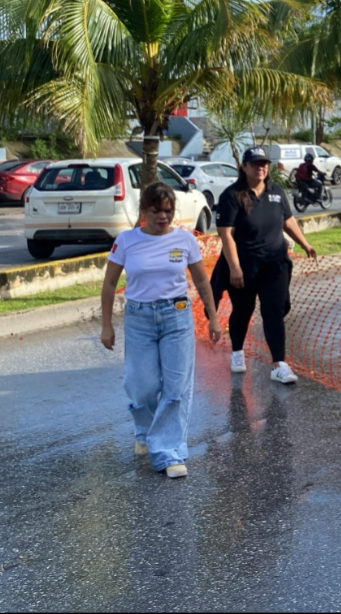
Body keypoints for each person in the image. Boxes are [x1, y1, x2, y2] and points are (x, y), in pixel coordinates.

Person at [101, 182, 222, 479]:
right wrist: (106, 325)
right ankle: (146, 431)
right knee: (140, 385)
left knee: (176, 387)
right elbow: (108, 284)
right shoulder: (126, 241)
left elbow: (203, 282)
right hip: (139, 318)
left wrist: (213, 317)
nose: (163, 217)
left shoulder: (185, 240)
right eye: (156, 211)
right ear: (144, 211)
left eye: (168, 211)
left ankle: (169, 452)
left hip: (176, 317)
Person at [214, 146, 318, 384]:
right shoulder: (232, 195)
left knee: (274, 311)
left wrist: (305, 244)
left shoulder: (277, 191)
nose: (261, 167)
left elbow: (288, 221)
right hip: (245, 264)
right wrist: (235, 268)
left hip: (275, 264)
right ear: (244, 167)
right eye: (255, 163)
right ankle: (237, 352)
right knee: (243, 309)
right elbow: (226, 234)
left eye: (264, 163)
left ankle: (279, 364)